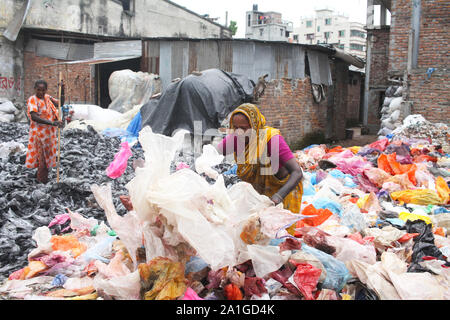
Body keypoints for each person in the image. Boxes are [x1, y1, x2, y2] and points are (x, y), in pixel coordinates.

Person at [217, 103, 304, 214]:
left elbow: (297, 172)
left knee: (278, 229)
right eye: (235, 127)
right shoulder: (237, 136)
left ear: (254, 125)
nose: (239, 132)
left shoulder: (271, 139)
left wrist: (277, 197)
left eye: (244, 128)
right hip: (259, 193)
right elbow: (218, 151)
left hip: (282, 191)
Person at [25, 80, 64, 183]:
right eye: (38, 90)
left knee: (47, 159)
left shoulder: (48, 98)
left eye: (43, 90)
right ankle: (41, 181)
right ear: (35, 89)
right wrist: (52, 123)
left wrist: (62, 89)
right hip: (38, 134)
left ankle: (43, 179)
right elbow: (34, 117)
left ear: (46, 90)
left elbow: (60, 104)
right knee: (41, 159)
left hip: (49, 134)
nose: (41, 92)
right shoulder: (32, 100)